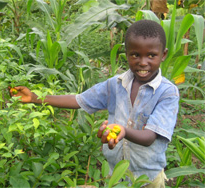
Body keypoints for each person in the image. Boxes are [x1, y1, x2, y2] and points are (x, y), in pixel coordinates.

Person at [9, 20, 179, 187]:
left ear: (163, 54)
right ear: (126, 54)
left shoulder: (167, 92)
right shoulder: (115, 85)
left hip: (147, 179)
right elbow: (78, 100)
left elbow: (150, 137)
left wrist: (123, 131)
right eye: (135, 54)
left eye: (151, 55)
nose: (143, 62)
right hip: (114, 174)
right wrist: (34, 98)